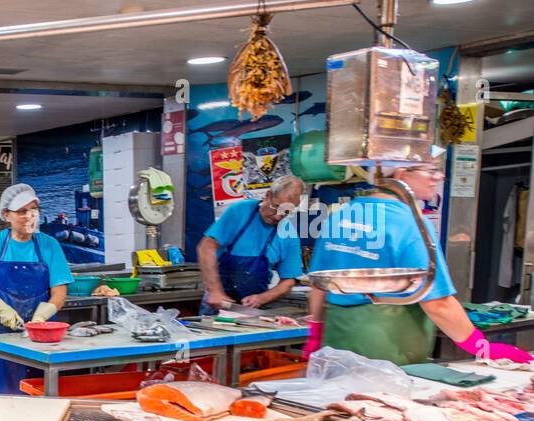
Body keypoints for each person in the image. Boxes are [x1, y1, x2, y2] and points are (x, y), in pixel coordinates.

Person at [306, 157, 533, 366]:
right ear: (401, 174)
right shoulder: (410, 223)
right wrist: (481, 347)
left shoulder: (342, 215)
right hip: (386, 346)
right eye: (431, 170)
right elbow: (437, 303)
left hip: (337, 337)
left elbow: (317, 285)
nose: (440, 177)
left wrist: (315, 332)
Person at [0, 183, 73, 393]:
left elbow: (59, 293)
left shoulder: (49, 245)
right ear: (6, 215)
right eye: (22, 212)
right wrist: (1, 309)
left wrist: (42, 317)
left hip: (40, 339)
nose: (29, 216)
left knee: (37, 394)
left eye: (33, 210)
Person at [198, 176, 305, 315]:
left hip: (250, 310)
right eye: (276, 207)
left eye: (286, 212)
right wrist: (215, 291)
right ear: (267, 195)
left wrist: (262, 298)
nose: (278, 216)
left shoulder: (288, 235)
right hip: (217, 304)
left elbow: (288, 281)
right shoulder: (240, 211)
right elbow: (206, 247)